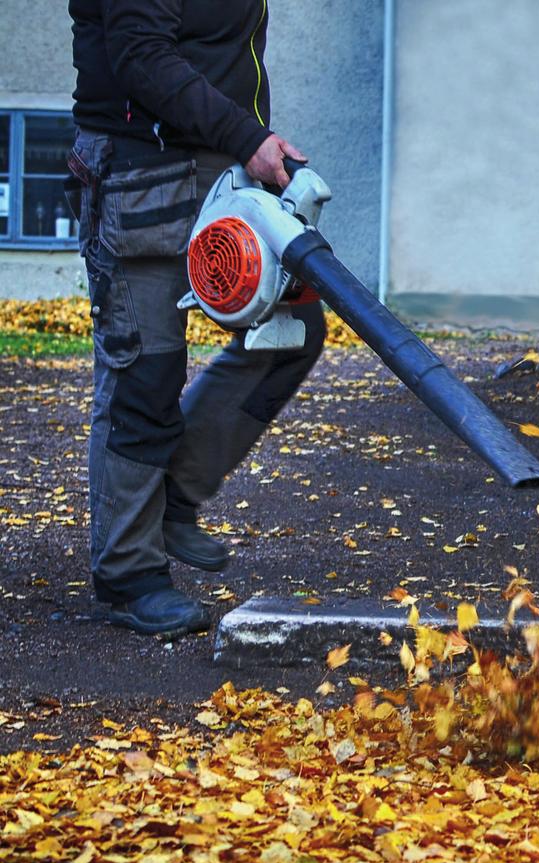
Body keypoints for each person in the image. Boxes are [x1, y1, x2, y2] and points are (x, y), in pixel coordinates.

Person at [66, 1, 326, 638]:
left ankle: (173, 496)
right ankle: (129, 575)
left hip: (220, 174)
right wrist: (249, 138)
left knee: (291, 333)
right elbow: (141, 56)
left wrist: (245, 149)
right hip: (136, 175)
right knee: (143, 376)